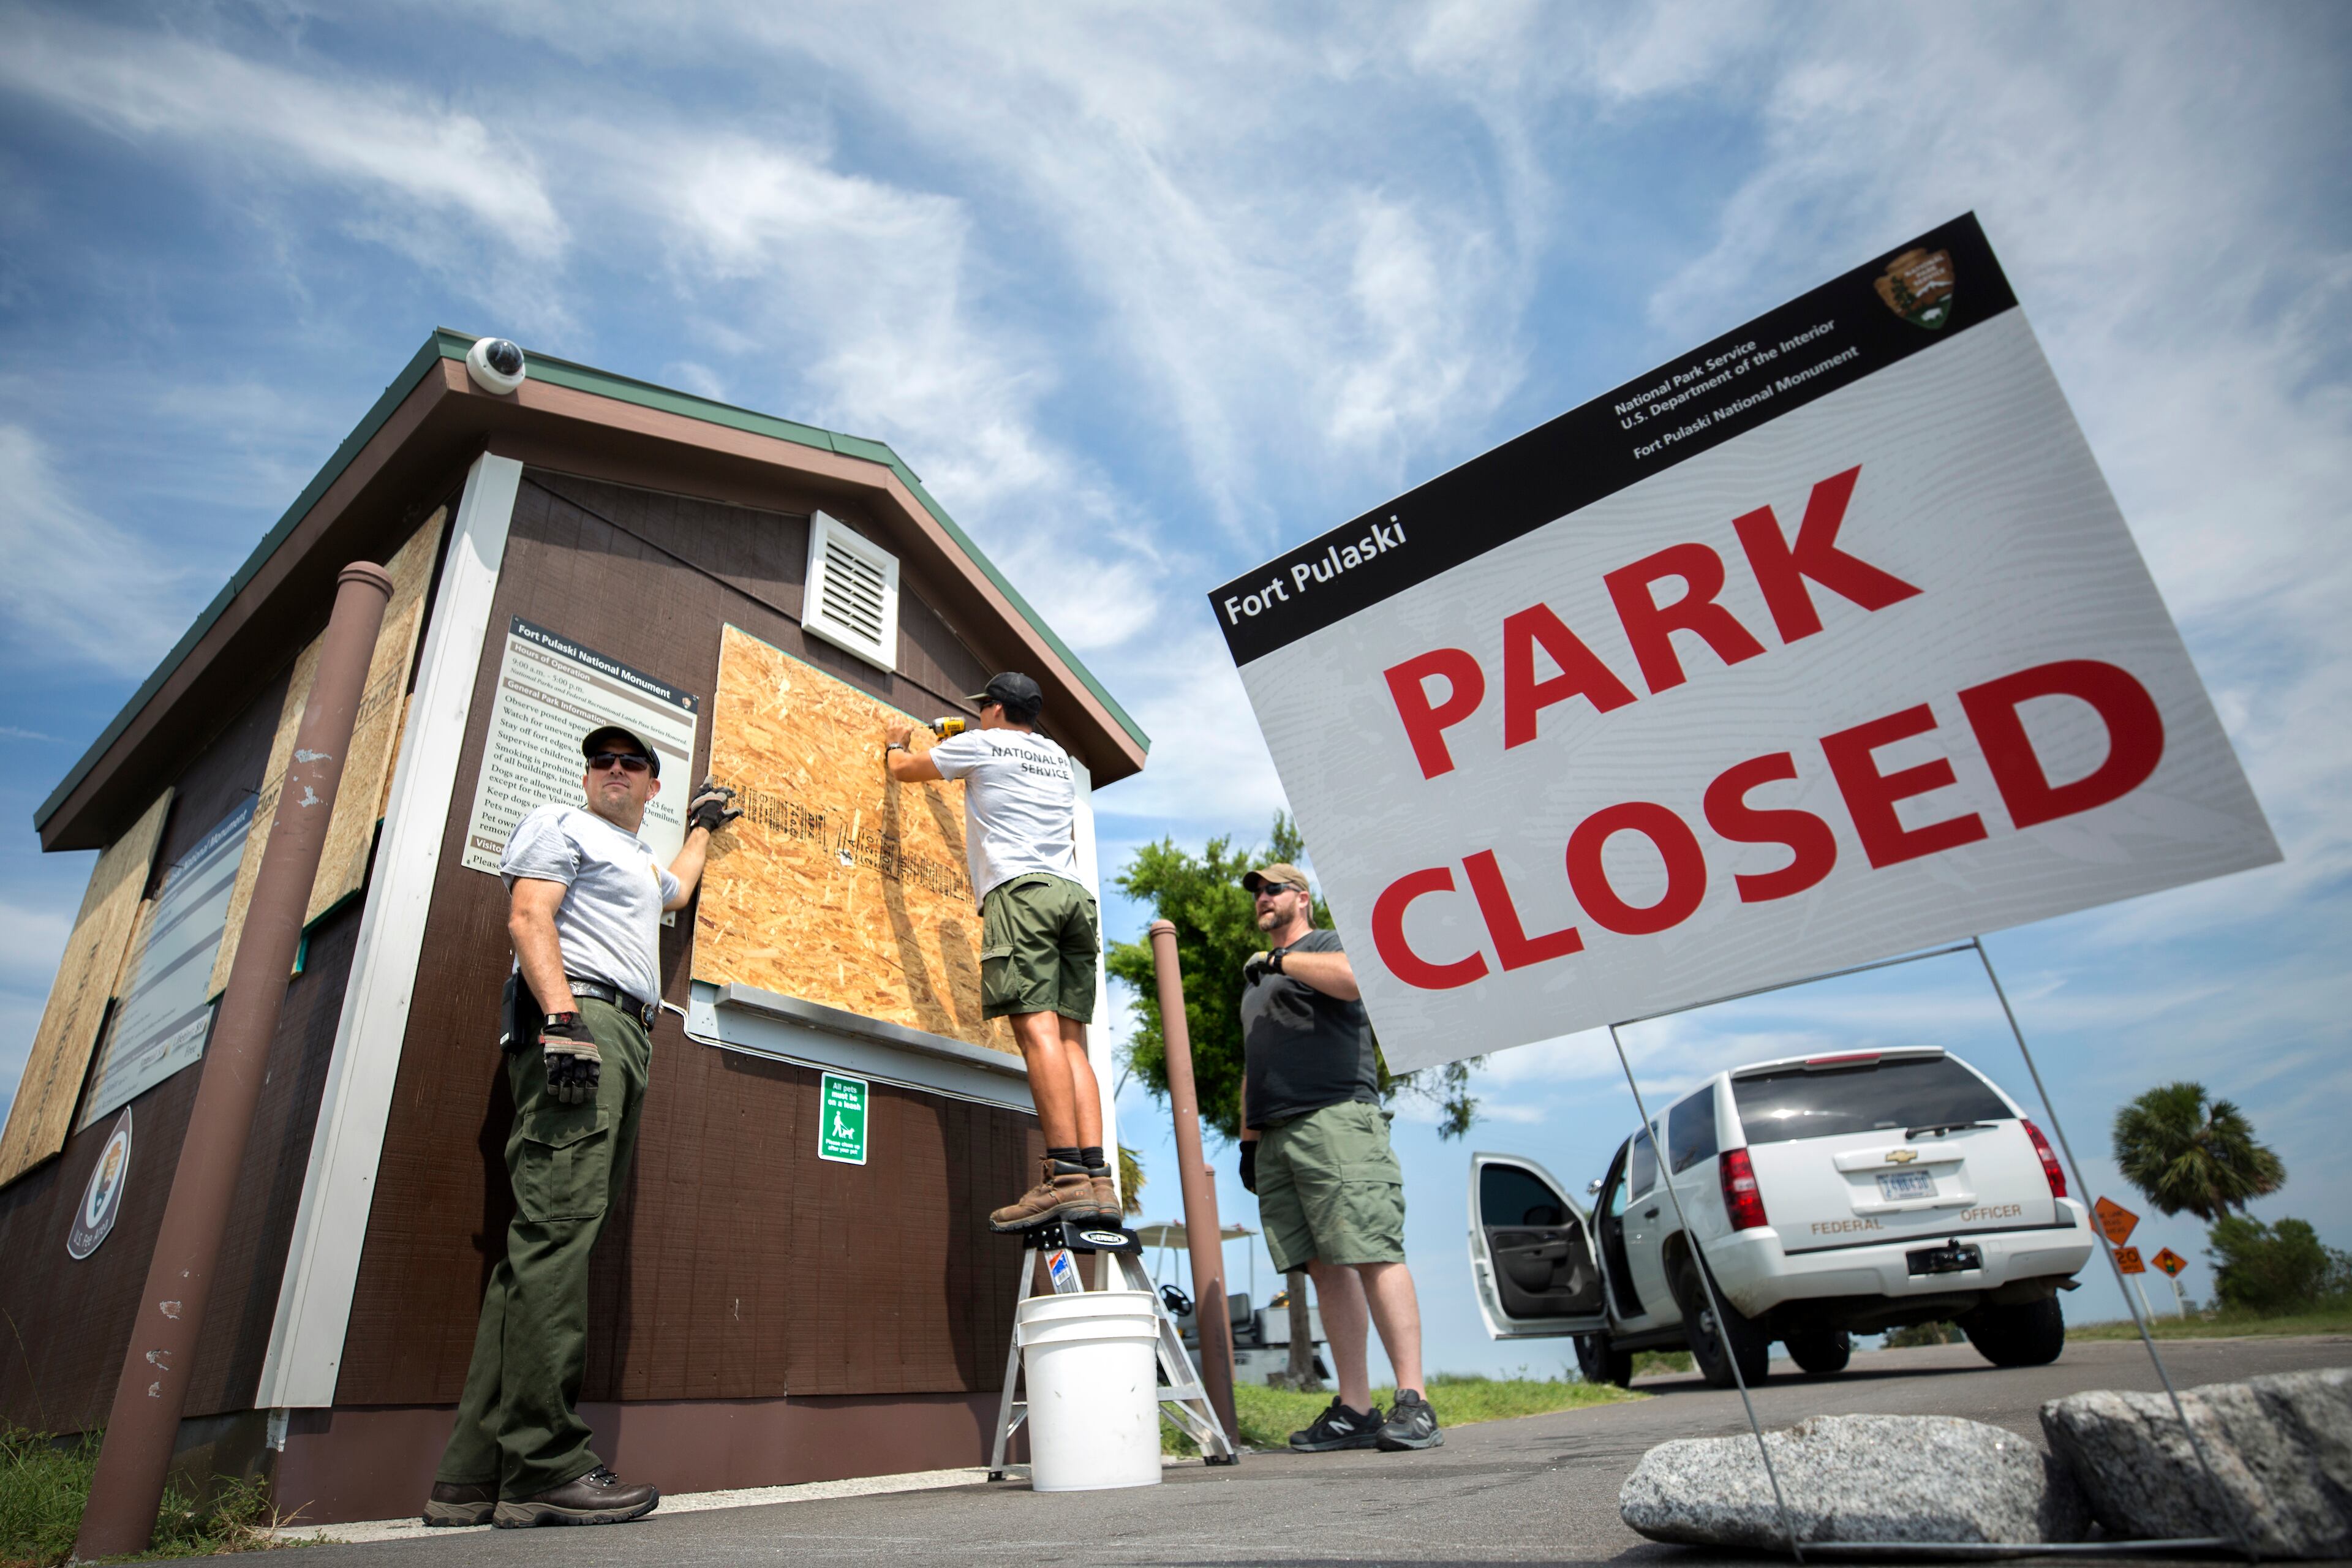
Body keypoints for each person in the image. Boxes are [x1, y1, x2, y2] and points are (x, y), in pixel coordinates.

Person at [424, 725, 739, 1529]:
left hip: (627, 1030)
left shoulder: (633, 859)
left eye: (633, 763)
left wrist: (702, 828)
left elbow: (673, 890)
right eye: (603, 760)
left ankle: (471, 1475)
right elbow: (531, 919)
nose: (615, 771)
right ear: (588, 774)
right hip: (580, 1023)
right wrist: (564, 1021)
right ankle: (545, 1465)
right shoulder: (558, 824)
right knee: (560, 1232)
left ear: (651, 787)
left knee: (540, 1246)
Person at [884, 673, 1114, 1229]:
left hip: (1024, 894)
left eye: (982, 707)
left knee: (1036, 1035)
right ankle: (1098, 1181)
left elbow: (904, 771)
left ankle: (1064, 1177)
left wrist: (896, 741)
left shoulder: (981, 745)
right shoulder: (1056, 757)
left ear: (992, 709)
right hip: (1073, 899)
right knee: (1071, 1042)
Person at [1237, 861, 1441, 1452]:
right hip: (1277, 1135)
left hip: (1336, 1118)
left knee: (1373, 1248)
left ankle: (1415, 1401)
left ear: (1301, 898)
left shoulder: (1328, 946)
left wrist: (1280, 960)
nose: (1262, 899)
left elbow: (1354, 980)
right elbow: (1254, 1066)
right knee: (1323, 1266)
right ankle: (1356, 1409)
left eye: (1272, 889)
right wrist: (1249, 1144)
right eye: (1256, 893)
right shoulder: (1256, 981)